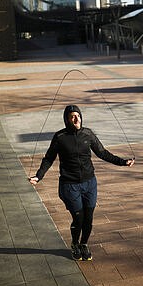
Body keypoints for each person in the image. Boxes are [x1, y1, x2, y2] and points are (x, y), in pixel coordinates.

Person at [29, 104, 134, 261]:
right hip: (69, 186)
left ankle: (84, 244)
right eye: (72, 116)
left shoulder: (88, 134)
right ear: (67, 120)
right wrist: (39, 176)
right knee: (78, 218)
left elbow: (103, 153)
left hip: (89, 183)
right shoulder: (60, 137)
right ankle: (74, 244)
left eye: (78, 115)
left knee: (89, 218)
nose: (76, 118)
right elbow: (49, 158)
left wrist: (122, 162)